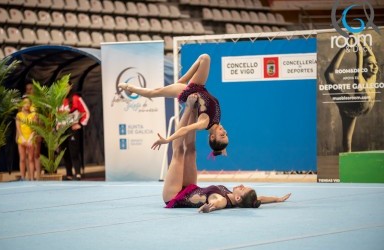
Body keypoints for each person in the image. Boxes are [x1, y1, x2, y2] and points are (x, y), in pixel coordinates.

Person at [163, 93, 291, 213]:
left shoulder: (223, 200)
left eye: (242, 188)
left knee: (178, 152)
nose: (241, 185)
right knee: (191, 151)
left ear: (238, 199)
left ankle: (188, 109)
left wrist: (210, 208)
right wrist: (276, 199)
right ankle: (193, 110)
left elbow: (217, 202)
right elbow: (258, 199)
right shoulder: (235, 198)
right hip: (191, 188)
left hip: (175, 196)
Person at [118, 54, 228, 157]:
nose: (224, 132)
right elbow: (217, 144)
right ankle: (182, 80)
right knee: (205, 58)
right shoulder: (217, 123)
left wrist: (167, 140)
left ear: (212, 137)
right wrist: (220, 149)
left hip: (188, 92)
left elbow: (184, 129)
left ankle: (130, 88)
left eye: (222, 135)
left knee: (155, 92)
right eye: (226, 135)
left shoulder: (204, 123)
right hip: (200, 86)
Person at [324, 36, 378, 152]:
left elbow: (371, 55)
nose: (374, 67)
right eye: (370, 64)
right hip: (348, 107)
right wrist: (352, 48)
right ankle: (345, 47)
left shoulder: (373, 75)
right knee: (328, 75)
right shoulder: (360, 80)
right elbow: (358, 70)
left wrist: (360, 40)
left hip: (356, 109)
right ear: (363, 67)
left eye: (375, 64)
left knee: (347, 140)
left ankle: (347, 45)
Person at [59, 84, 90, 180]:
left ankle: (77, 173)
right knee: (65, 152)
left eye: (66, 86)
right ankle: (69, 174)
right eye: (62, 86)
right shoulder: (58, 100)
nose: (64, 88)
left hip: (73, 129)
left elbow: (86, 112)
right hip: (62, 130)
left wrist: (80, 124)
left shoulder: (76, 98)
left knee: (74, 152)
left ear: (70, 87)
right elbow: (56, 115)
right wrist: (57, 125)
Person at [23, 82, 42, 180]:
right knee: (27, 154)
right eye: (27, 88)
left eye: (31, 88)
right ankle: (30, 176)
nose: (29, 90)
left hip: (37, 131)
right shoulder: (25, 101)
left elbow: (40, 118)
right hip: (26, 131)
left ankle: (38, 176)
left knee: (36, 154)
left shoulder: (37, 103)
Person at [15, 98, 36, 181]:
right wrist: (22, 138)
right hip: (22, 138)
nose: (27, 105)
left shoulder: (33, 115)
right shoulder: (19, 115)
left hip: (31, 138)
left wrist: (31, 138)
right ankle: (23, 177)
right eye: (25, 103)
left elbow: (35, 128)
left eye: (28, 103)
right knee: (22, 159)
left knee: (31, 159)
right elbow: (18, 128)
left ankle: (32, 178)